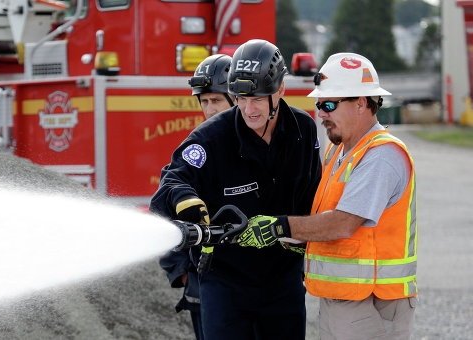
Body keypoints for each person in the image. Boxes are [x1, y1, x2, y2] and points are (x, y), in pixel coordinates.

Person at [237, 52, 418, 340]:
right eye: (319, 104)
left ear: (361, 104)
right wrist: (300, 239)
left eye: (329, 104)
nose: (321, 113)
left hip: (372, 302)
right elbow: (325, 216)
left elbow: (343, 223)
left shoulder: (381, 155)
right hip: (343, 299)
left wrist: (280, 226)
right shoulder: (340, 150)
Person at [151, 39, 322, 340]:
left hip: (284, 282)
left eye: (257, 98)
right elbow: (171, 182)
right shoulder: (210, 138)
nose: (248, 108)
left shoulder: (302, 130)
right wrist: (186, 200)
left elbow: (313, 193)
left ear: (280, 90)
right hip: (225, 282)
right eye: (240, 98)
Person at [158, 53, 234, 340]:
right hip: (205, 284)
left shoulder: (259, 147)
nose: (209, 109)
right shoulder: (195, 151)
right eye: (204, 101)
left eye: (216, 100)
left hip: (255, 285)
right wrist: (182, 271)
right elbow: (162, 207)